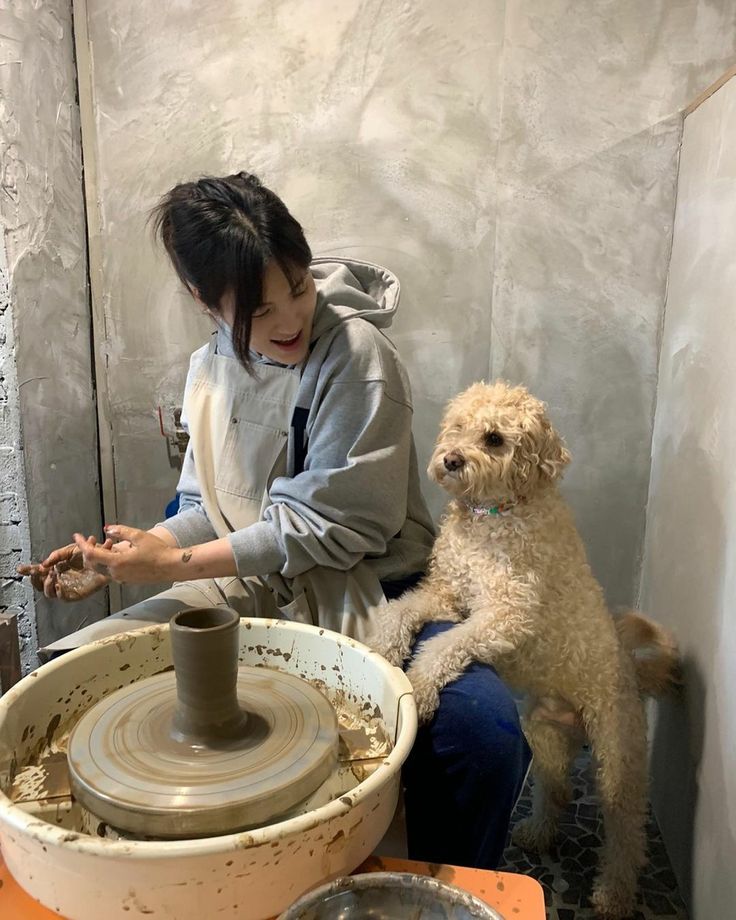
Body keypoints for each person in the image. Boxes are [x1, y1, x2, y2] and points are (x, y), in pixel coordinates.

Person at [19, 171, 530, 868]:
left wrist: (165, 565)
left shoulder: (357, 357)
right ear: (205, 300)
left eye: (298, 287)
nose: (289, 319)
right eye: (259, 311)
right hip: (250, 586)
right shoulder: (209, 368)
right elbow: (204, 508)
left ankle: (434, 892)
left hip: (374, 585)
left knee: (485, 734)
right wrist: (131, 556)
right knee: (67, 677)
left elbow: (331, 524)